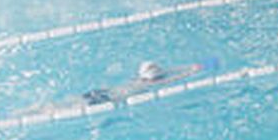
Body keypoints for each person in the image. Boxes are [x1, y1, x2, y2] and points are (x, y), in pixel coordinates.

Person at [78, 59, 207, 106]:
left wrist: (189, 66)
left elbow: (168, 71)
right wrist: (191, 71)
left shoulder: (138, 79)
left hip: (106, 91)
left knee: (76, 100)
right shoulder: (150, 84)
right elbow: (172, 78)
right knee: (78, 105)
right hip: (111, 98)